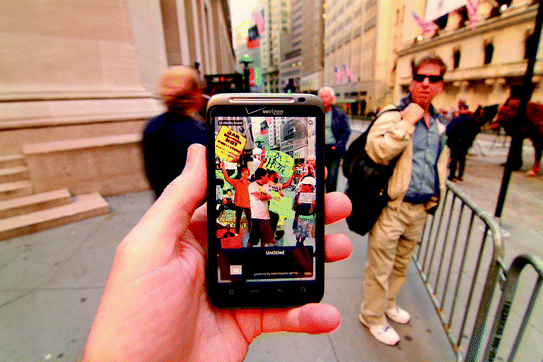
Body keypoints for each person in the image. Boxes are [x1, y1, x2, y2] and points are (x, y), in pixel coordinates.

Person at [83, 144, 353, 361]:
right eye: (253, 172)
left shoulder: (258, 185)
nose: (250, 174)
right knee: (254, 239)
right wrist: (228, 171)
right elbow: (245, 186)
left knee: (260, 241)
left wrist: (289, 186)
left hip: (257, 218)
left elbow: (274, 190)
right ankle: (258, 256)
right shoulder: (251, 186)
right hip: (252, 217)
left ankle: (260, 257)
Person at [358, 55, 449, 346]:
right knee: (380, 268)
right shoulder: (392, 114)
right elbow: (377, 152)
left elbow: (436, 162)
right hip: (392, 208)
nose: (425, 83)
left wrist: (436, 193)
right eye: (420, 77)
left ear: (441, 86)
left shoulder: (439, 124)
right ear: (411, 81)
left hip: (420, 208)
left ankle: (389, 304)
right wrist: (406, 124)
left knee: (401, 264)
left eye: (433, 79)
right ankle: (371, 316)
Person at [142, 65, 207, 198]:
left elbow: (152, 175)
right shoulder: (201, 133)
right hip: (196, 209)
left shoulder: (151, 127)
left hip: (163, 205)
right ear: (195, 94)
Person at [318, 87, 352, 192]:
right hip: (318, 150)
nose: (323, 99)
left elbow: (346, 132)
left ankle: (331, 204)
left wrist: (338, 146)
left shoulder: (340, 114)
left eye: (326, 96)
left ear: (332, 98)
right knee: (318, 178)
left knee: (332, 179)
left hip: (333, 150)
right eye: (321, 96)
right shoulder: (316, 113)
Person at [446, 102, 479, 181]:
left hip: (455, 142)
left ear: (461, 109)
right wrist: (470, 140)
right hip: (465, 143)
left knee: (453, 159)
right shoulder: (472, 120)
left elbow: (448, 130)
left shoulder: (456, 119)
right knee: (462, 159)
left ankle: (452, 176)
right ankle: (460, 175)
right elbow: (477, 130)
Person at [220, 161, 252, 235]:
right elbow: (227, 178)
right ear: (241, 174)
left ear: (248, 175)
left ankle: (250, 231)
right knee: (238, 219)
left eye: (247, 174)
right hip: (239, 204)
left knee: (249, 219)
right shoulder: (236, 182)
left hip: (247, 205)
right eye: (244, 173)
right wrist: (223, 168)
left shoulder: (250, 184)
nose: (245, 175)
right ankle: (237, 232)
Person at [247, 168, 275, 247]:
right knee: (253, 238)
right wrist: (272, 196)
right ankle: (247, 253)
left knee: (264, 238)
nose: (268, 178)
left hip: (266, 216)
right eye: (266, 176)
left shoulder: (266, 186)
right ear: (262, 176)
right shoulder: (252, 185)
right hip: (256, 216)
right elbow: (260, 197)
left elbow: (274, 192)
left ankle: (263, 254)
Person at [266, 168, 295, 234]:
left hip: (277, 208)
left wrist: (292, 173)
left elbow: (288, 183)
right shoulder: (266, 183)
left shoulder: (277, 185)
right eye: (277, 174)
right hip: (268, 206)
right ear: (272, 174)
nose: (278, 175)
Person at [292, 176, 317, 247]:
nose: (301, 186)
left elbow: (315, 211)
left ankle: (301, 242)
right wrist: (297, 203)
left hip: (308, 218)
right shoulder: (298, 195)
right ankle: (297, 241)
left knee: (305, 232)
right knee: (297, 232)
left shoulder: (315, 197)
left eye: (304, 184)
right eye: (302, 184)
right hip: (299, 216)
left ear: (310, 186)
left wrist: (313, 206)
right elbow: (293, 208)